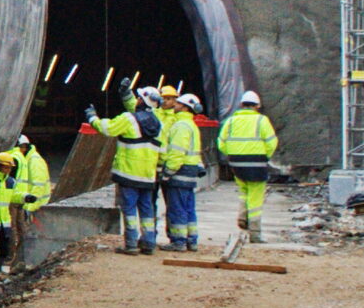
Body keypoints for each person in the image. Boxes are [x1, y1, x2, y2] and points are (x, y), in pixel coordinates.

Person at [91, 87, 164, 254]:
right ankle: (148, 243)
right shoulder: (158, 122)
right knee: (147, 209)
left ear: (140, 100)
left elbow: (108, 128)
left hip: (128, 174)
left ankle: (131, 244)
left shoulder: (129, 119)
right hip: (148, 176)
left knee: (129, 209)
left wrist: (92, 118)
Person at [217, 90, 282, 241]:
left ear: (241, 105)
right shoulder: (262, 120)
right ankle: (255, 232)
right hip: (257, 162)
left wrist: (232, 155)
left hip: (236, 163)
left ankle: (242, 217)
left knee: (243, 191)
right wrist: (264, 156)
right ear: (257, 106)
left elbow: (221, 143)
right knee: (256, 197)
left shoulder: (231, 121)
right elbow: (272, 142)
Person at [156, 87, 206, 251]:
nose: (174, 104)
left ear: (185, 107)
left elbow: (177, 153)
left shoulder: (180, 126)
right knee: (188, 208)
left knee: (176, 208)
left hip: (179, 173)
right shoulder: (191, 125)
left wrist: (167, 172)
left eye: (178, 102)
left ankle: (178, 241)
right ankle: (192, 240)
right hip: (189, 173)